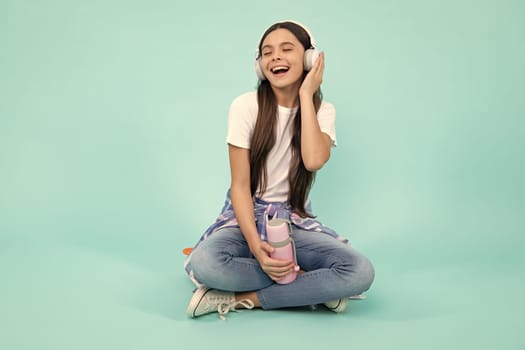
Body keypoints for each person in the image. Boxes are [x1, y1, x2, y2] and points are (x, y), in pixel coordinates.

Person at [184, 20, 374, 320]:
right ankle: (314, 289)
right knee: (206, 263)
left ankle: (244, 299)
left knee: (359, 271)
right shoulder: (245, 106)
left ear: (309, 59)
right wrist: (256, 248)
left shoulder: (323, 111)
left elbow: (313, 160)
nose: (276, 57)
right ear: (259, 65)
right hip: (244, 217)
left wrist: (306, 95)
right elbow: (240, 186)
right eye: (267, 52)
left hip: (292, 223)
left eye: (287, 49)